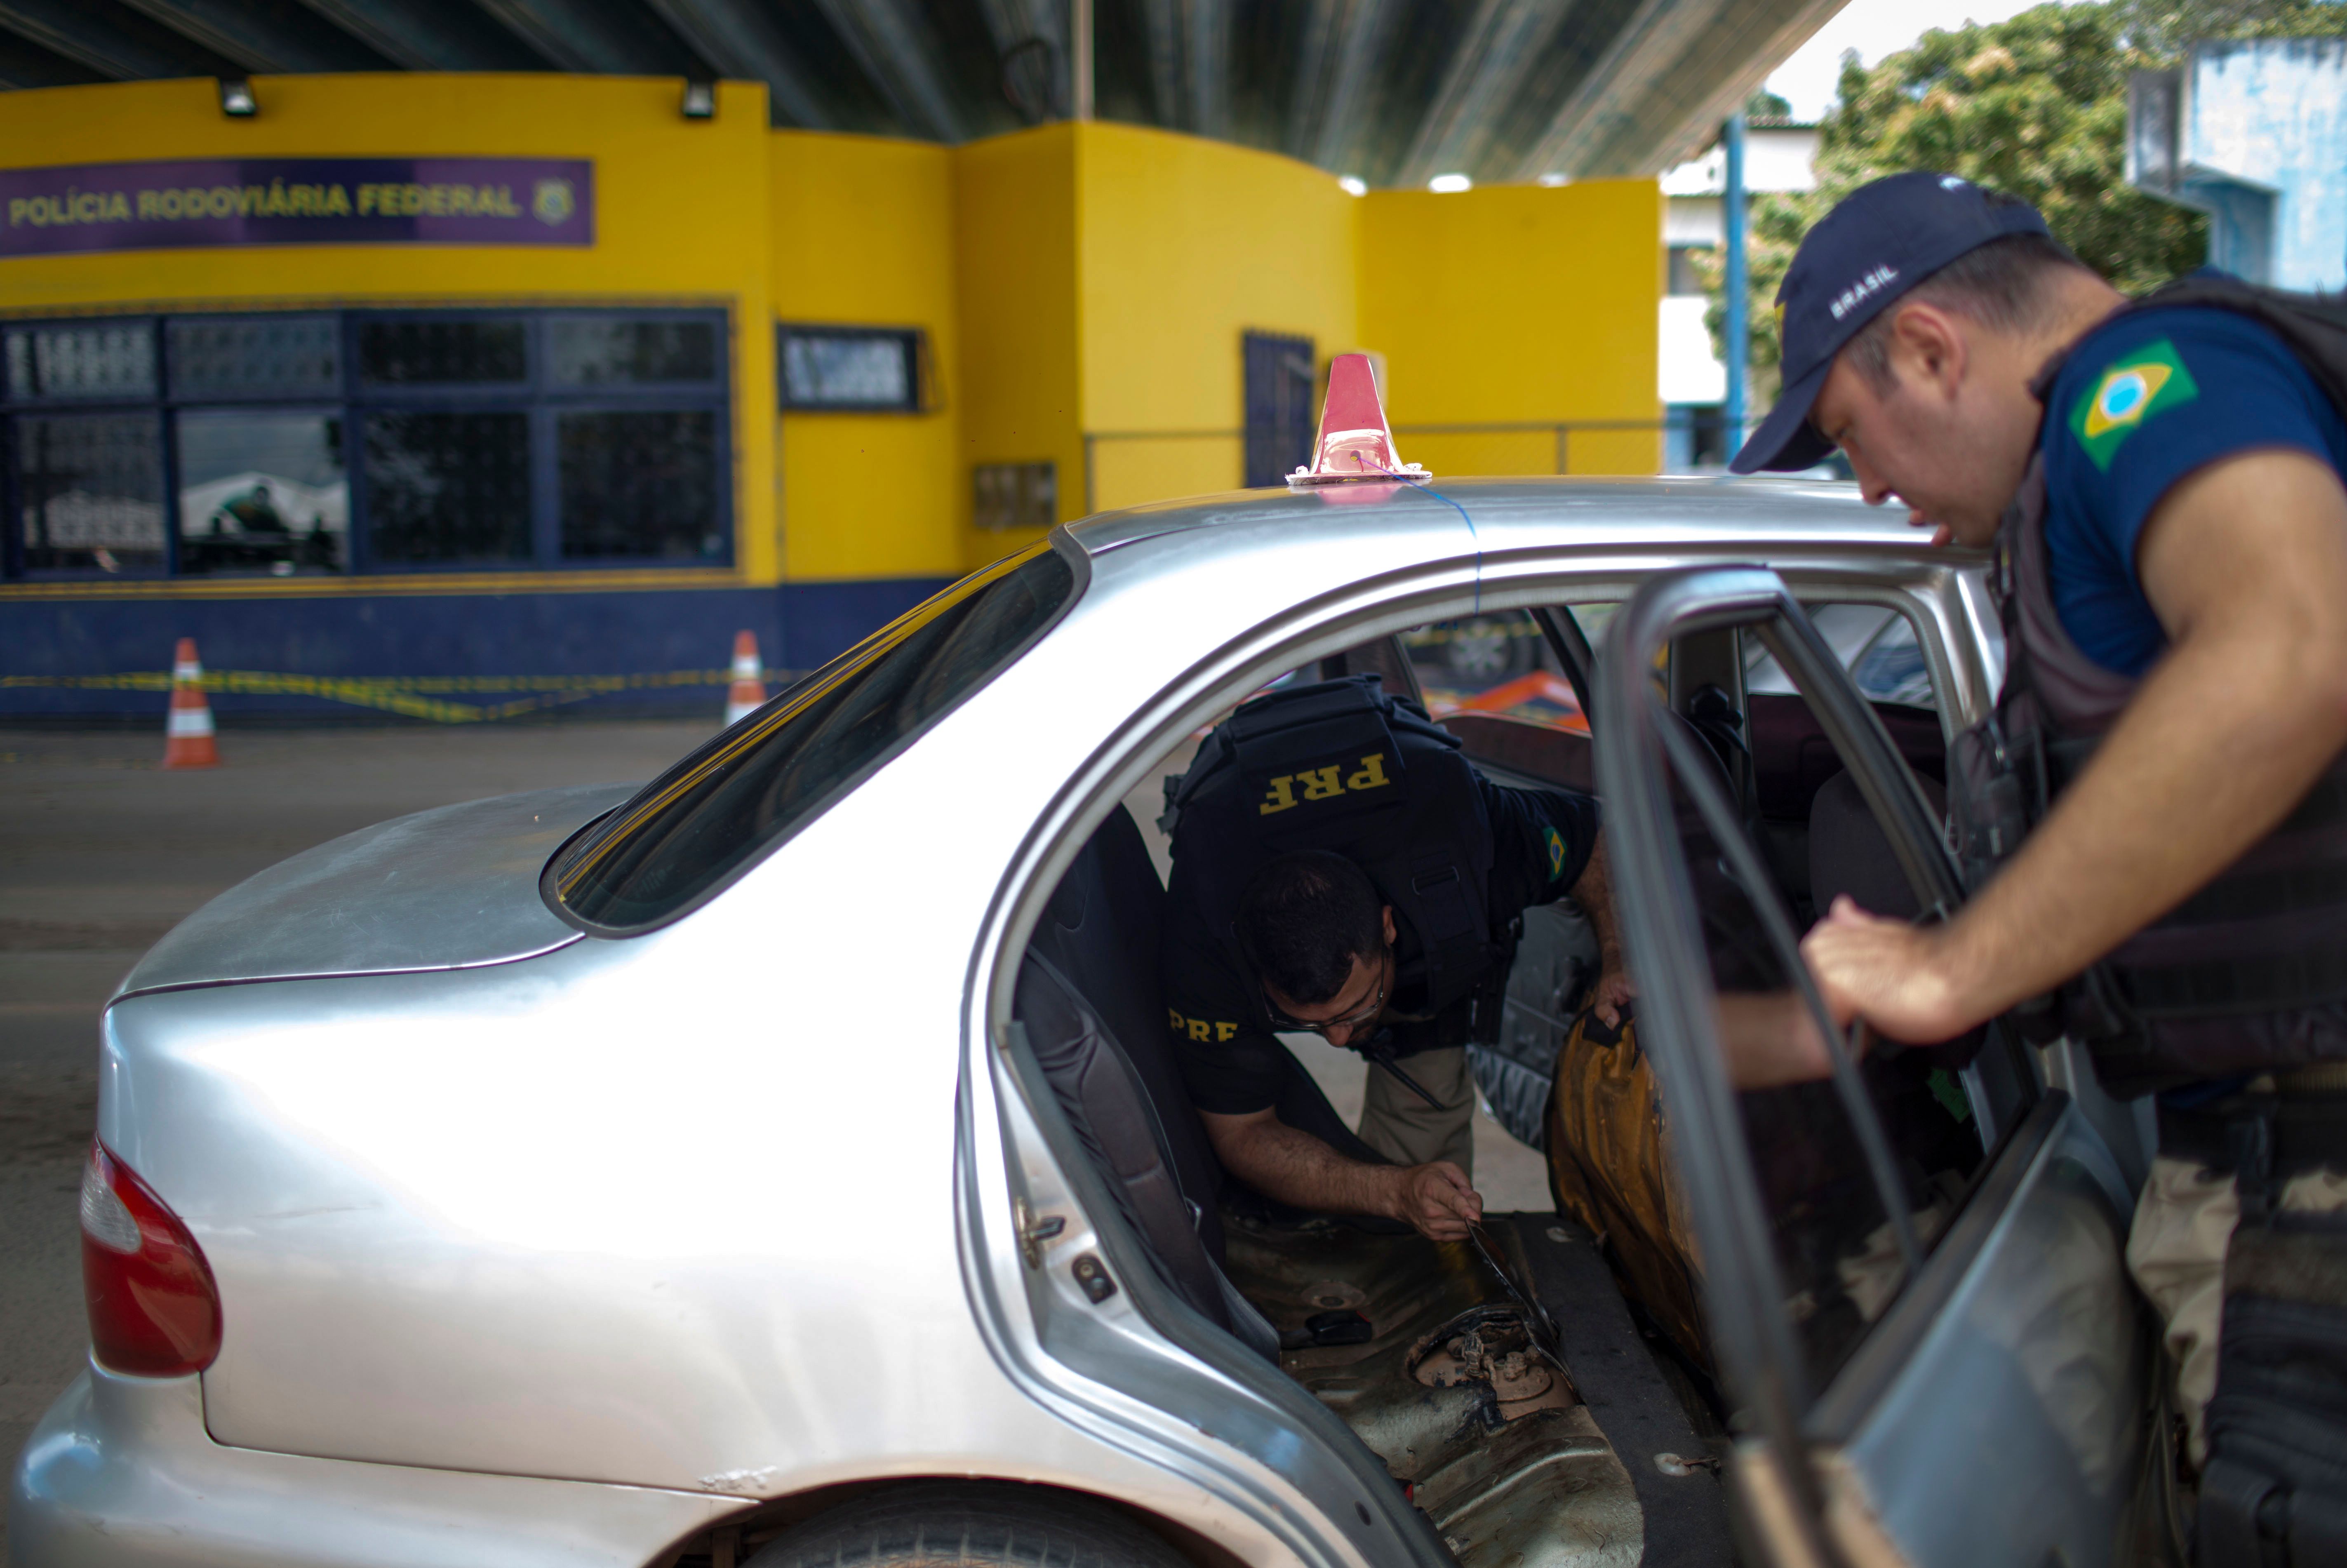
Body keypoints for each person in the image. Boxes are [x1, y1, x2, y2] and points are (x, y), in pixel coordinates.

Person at [1733, 171, 2347, 1560]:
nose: (1873, 489)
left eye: (1852, 437)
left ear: (1935, 349)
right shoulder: (2101, 460)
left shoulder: (2146, 383)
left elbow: (2289, 651)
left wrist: (1953, 966)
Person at [1160, 672, 1632, 1242]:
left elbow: (1592, 839)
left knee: (1423, 1129)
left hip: (1421, 909)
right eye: (1313, 1023)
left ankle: (1411, 1248)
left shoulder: (1461, 840)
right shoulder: (1203, 926)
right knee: (1366, 1183)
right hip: (1258, 884)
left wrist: (1619, 955)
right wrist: (1391, 1191)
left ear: (1387, 928)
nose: (1339, 1040)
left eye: (1353, 1011)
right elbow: (1243, 1134)